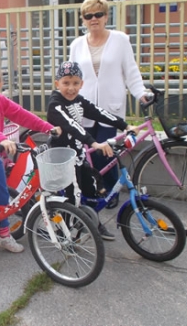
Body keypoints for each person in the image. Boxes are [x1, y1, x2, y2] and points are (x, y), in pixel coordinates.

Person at [0, 62, 61, 277]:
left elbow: (21, 114)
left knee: (2, 197)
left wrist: (47, 127)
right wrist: (1, 138)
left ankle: (3, 235)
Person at [69, 0, 147, 207]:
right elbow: (71, 76)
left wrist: (141, 93)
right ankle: (92, 192)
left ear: (106, 17)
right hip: (84, 108)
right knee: (88, 155)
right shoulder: (76, 45)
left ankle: (111, 193)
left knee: (108, 154)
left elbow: (131, 71)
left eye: (98, 14)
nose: (93, 19)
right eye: (88, 16)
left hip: (110, 108)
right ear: (83, 20)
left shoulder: (120, 40)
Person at [47, 61, 138, 240]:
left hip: (78, 154)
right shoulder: (55, 104)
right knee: (73, 196)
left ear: (81, 83)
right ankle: (65, 234)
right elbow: (72, 125)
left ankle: (90, 221)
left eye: (75, 83)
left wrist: (125, 125)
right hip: (63, 158)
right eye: (66, 83)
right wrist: (94, 143)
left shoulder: (79, 100)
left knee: (91, 188)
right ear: (57, 83)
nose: (71, 88)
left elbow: (98, 112)